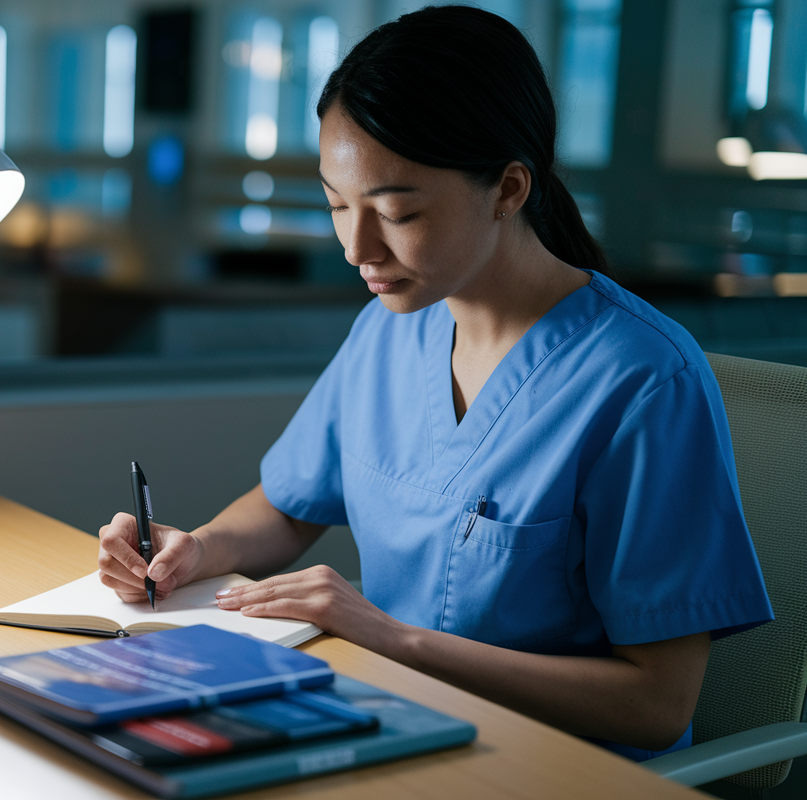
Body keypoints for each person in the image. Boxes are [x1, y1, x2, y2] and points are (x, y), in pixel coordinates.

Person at [97, 5, 773, 760]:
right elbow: (290, 509)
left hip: (554, 767)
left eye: (397, 211)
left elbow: (656, 704)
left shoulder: (643, 380)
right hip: (393, 727)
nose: (357, 246)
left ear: (509, 189)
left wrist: (393, 640)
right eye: (335, 205)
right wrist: (197, 549)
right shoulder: (393, 325)